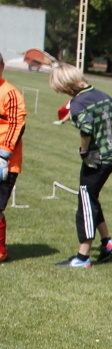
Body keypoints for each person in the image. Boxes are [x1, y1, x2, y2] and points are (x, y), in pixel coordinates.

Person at [49, 65, 112, 268]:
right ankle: (107, 242)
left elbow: (86, 128)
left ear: (67, 85)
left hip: (96, 160)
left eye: (61, 89)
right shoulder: (100, 94)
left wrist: (84, 152)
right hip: (110, 157)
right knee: (91, 198)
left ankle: (83, 256)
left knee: (85, 203)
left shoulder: (78, 103)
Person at [0, 54, 27, 264]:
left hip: (5, 162)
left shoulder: (10, 94)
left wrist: (3, 155)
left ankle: (0, 252)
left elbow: (18, 126)